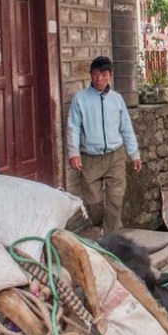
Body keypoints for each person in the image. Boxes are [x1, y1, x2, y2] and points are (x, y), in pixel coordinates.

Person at [66, 56, 141, 232]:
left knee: (116, 199)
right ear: (91, 76)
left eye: (104, 75)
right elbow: (73, 127)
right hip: (90, 158)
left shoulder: (117, 99)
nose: (99, 79)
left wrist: (134, 154)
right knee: (93, 203)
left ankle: (111, 238)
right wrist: (74, 153)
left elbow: (126, 128)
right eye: (95, 74)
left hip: (115, 155)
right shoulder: (80, 99)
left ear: (110, 76)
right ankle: (100, 226)